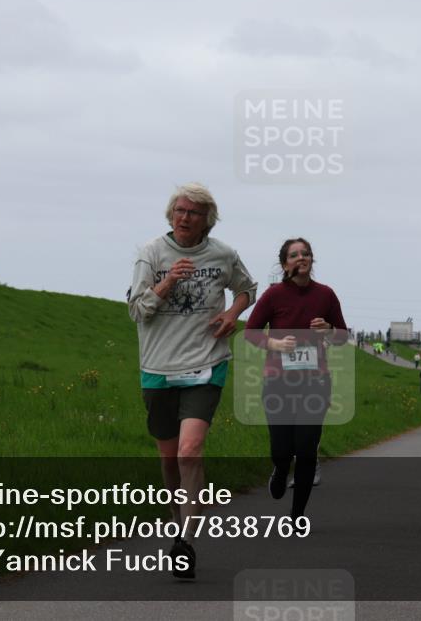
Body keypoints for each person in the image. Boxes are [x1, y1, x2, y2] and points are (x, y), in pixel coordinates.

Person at [128, 183, 257, 578]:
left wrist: (233, 313)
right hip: (158, 368)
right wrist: (166, 283)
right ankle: (179, 515)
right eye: (180, 211)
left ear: (207, 220)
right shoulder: (151, 254)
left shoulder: (222, 254)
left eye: (193, 213)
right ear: (171, 215)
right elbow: (137, 310)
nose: (184, 218)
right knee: (169, 460)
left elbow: (247, 289)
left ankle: (185, 540)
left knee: (190, 451)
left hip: (206, 364)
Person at [245, 238, 348, 520]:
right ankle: (280, 468)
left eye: (306, 254)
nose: (301, 258)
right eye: (294, 255)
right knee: (282, 449)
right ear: (284, 264)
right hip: (278, 382)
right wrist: (275, 345)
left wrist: (327, 329)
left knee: (305, 450)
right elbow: (251, 332)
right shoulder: (273, 295)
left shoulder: (325, 294)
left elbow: (342, 335)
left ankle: (296, 515)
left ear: (312, 261)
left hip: (315, 383)